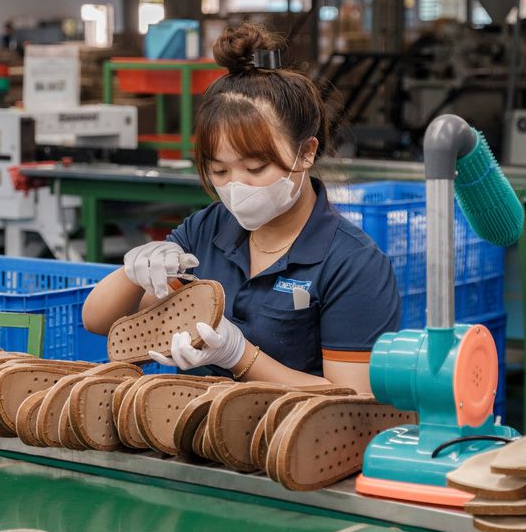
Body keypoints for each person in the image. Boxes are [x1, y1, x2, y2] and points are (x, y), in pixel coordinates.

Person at [82, 23, 400, 393]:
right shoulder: (206, 230)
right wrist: (133, 273)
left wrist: (239, 356)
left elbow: (355, 400)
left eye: (255, 168)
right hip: (193, 434)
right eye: (219, 170)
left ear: (307, 152)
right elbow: (98, 321)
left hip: (289, 444)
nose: (236, 186)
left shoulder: (352, 262)